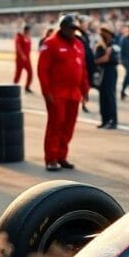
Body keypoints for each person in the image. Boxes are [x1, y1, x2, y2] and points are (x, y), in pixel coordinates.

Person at [38, 15, 89, 171]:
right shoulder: (50, 43)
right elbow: (42, 70)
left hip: (74, 93)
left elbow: (83, 69)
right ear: (63, 28)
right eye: (70, 28)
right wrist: (46, 92)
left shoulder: (79, 44)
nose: (73, 32)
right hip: (56, 93)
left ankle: (61, 156)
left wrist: (85, 90)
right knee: (56, 125)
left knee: (69, 126)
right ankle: (51, 158)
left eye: (75, 29)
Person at [95, 25, 120, 129]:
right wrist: (105, 57)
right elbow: (96, 60)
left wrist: (105, 58)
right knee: (103, 97)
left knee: (110, 96)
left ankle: (113, 120)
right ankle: (104, 120)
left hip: (110, 71)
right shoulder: (100, 46)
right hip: (102, 71)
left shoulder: (114, 46)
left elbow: (113, 60)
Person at [77, 22, 96, 114]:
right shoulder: (77, 36)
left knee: (86, 86)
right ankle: (82, 102)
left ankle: (84, 103)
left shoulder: (86, 35)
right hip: (81, 63)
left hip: (88, 63)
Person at [14, 25, 33, 93]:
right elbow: (18, 46)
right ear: (25, 30)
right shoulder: (20, 37)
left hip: (27, 59)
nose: (28, 32)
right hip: (20, 59)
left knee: (30, 73)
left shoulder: (28, 37)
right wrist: (22, 55)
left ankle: (27, 87)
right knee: (18, 74)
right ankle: (14, 86)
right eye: (27, 30)